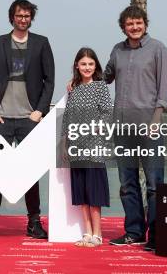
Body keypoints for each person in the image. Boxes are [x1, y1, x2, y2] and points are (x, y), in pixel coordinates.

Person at [0, 0, 55, 239]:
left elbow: (49, 80)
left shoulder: (41, 43)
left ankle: (34, 221)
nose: (23, 19)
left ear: (31, 18)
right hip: (0, 117)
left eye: (27, 16)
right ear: (12, 17)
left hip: (28, 117)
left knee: (30, 172)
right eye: (19, 15)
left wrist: (39, 111)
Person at [105, 6, 167, 252]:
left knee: (155, 185)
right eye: (129, 24)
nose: (134, 27)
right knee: (127, 184)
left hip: (149, 128)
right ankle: (134, 232)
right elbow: (106, 76)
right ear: (123, 26)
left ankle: (156, 235)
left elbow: (165, 89)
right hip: (122, 128)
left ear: (145, 24)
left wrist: (155, 122)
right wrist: (80, 77)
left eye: (138, 23)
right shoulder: (117, 50)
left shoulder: (158, 49)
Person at [62, 47, 112, 247]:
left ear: (96, 66)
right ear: (77, 65)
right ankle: (87, 233)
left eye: (91, 64)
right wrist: (65, 143)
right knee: (81, 193)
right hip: (76, 147)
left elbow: (107, 113)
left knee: (95, 193)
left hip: (94, 147)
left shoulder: (100, 87)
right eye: (83, 64)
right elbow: (67, 117)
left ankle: (97, 234)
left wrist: (96, 129)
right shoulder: (73, 88)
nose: (87, 67)